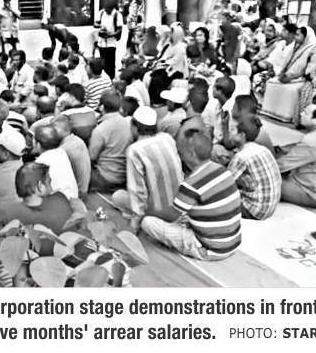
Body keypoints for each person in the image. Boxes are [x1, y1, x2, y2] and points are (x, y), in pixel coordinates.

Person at [141, 127, 242, 261]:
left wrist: (146, 209)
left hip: (208, 249)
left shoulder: (191, 184)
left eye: (180, 150)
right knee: (185, 215)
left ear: (192, 154)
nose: (178, 152)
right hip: (232, 244)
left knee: (148, 222)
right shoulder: (222, 170)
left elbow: (171, 217)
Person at [112, 106, 184, 227]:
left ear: (135, 127)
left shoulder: (135, 150)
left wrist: (135, 223)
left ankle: (142, 218)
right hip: (179, 205)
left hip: (156, 210)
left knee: (117, 197)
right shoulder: (167, 138)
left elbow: (138, 190)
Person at [0, 162, 74, 236]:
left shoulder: (9, 213)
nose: (51, 187)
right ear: (40, 187)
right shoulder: (60, 199)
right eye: (49, 182)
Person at [262, 26, 316, 126]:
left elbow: (311, 69)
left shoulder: (315, 49)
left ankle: (287, 116)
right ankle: (271, 113)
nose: (295, 37)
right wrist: (283, 74)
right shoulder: (297, 46)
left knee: (289, 89)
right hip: (290, 75)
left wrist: (291, 76)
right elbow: (287, 62)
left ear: (305, 36)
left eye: (298, 35)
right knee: (271, 82)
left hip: (306, 78)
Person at [227, 114, 281, 220]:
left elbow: (224, 184)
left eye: (232, 130)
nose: (229, 132)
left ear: (242, 135)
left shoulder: (241, 157)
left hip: (254, 211)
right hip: (269, 207)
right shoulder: (263, 149)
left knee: (218, 199)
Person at [276, 101, 316, 208]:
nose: (301, 114)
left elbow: (283, 165)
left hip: (310, 193)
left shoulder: (312, 140)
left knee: (264, 180)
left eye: (306, 113)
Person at [89, 90, 134, 194]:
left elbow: (92, 157)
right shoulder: (128, 123)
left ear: (102, 107)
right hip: (124, 177)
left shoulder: (100, 130)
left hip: (104, 178)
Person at [34, 125, 78, 200]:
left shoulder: (39, 163)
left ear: (38, 145)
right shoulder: (61, 152)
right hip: (73, 197)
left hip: (60, 202)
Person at [51, 115, 90, 197]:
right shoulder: (78, 140)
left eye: (53, 129)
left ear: (62, 130)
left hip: (75, 194)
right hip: (83, 190)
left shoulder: (64, 150)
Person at [93, 3, 123, 79]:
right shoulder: (101, 13)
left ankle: (111, 79)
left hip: (111, 44)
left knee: (111, 64)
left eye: (108, 8)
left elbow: (119, 30)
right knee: (103, 63)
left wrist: (109, 34)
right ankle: (103, 79)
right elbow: (95, 24)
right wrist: (100, 27)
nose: (106, 10)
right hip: (101, 43)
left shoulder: (117, 15)